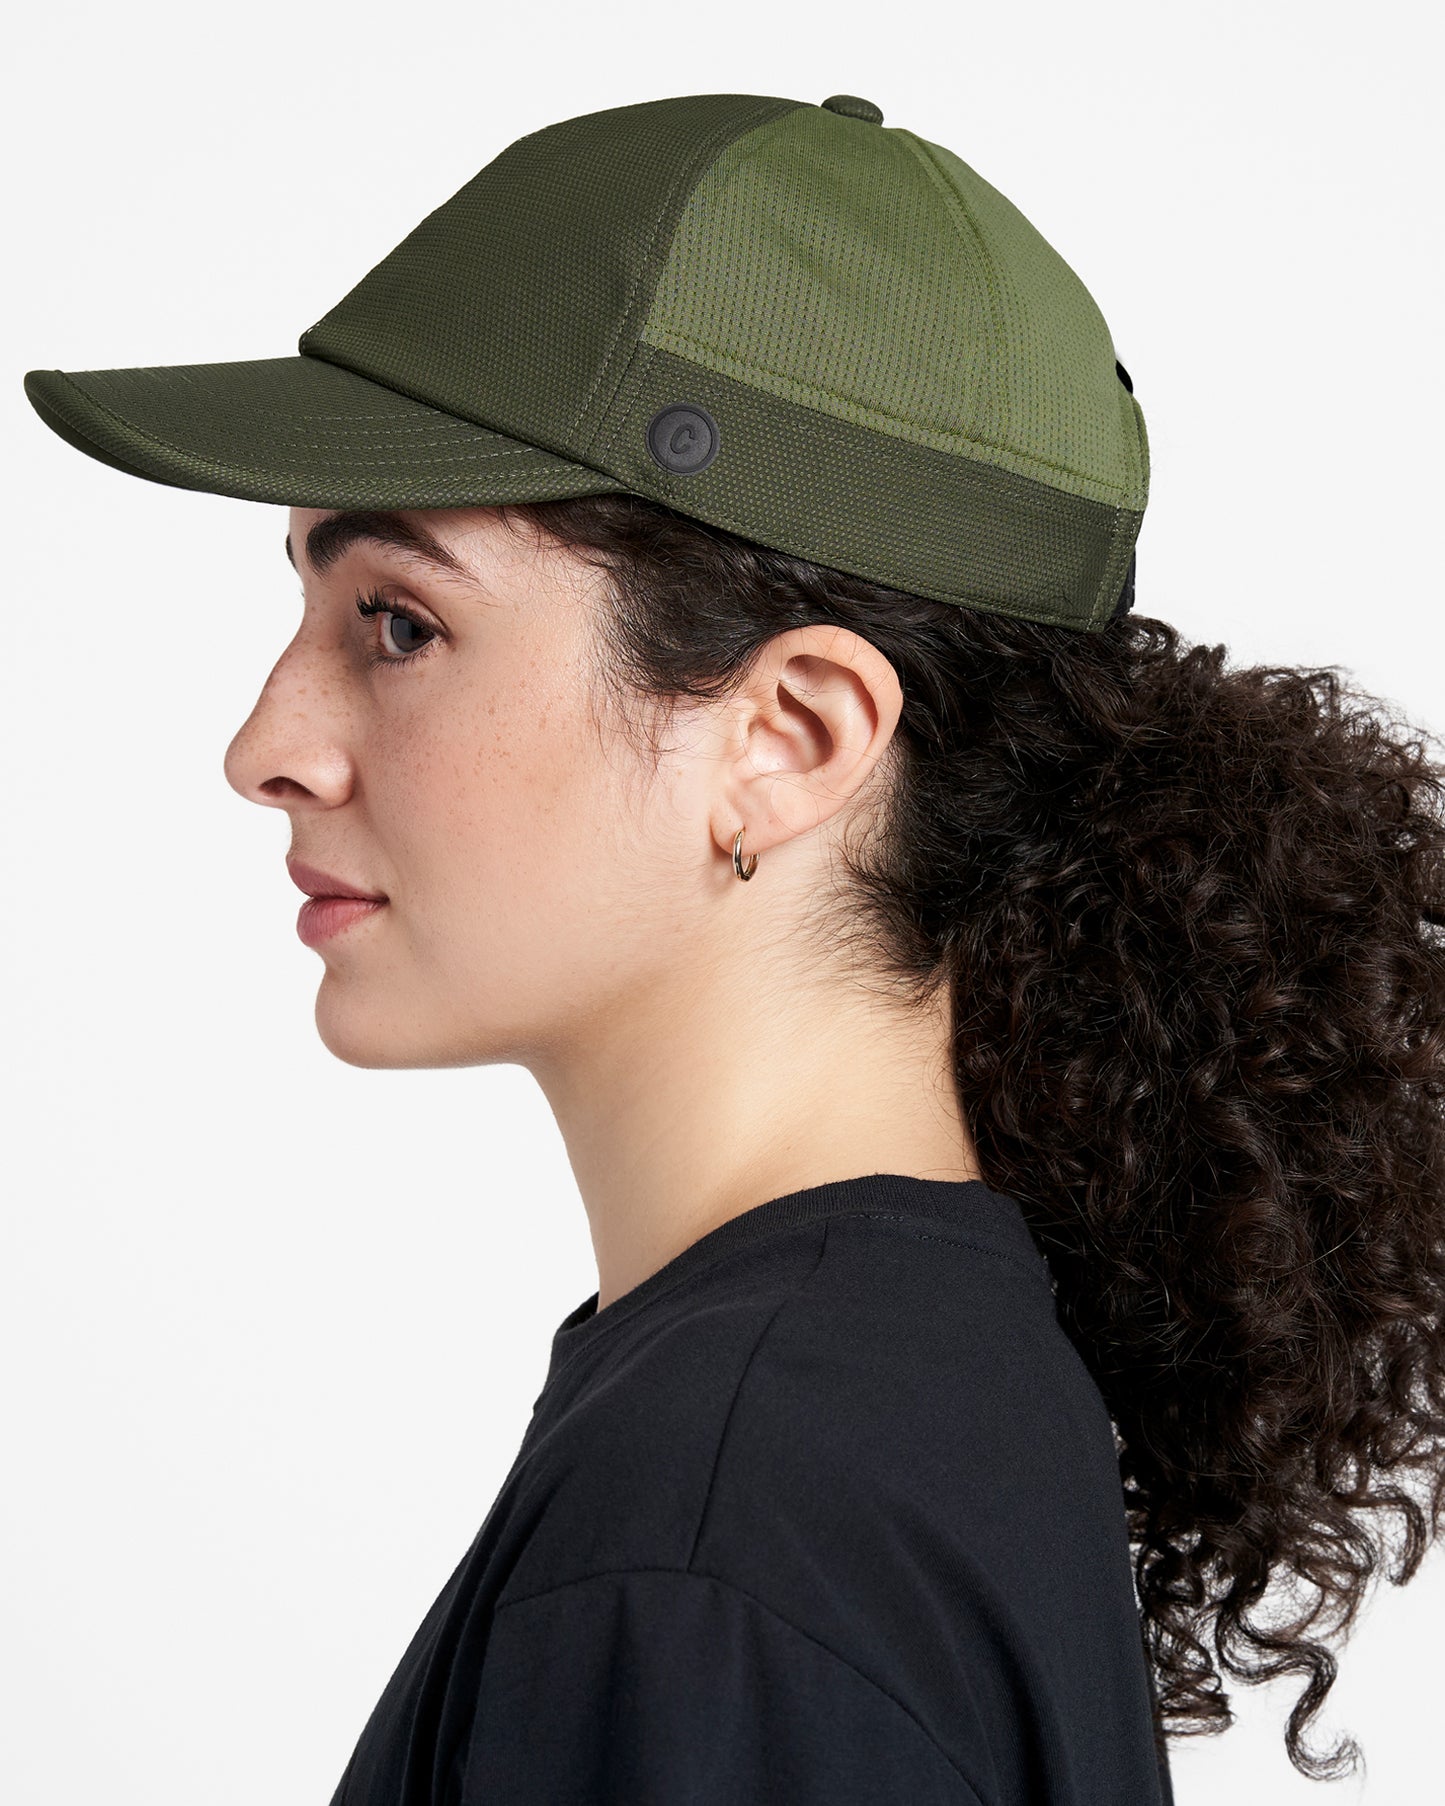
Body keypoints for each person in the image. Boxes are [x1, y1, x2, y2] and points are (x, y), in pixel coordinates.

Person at [22, 89, 1445, 1805]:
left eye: (397, 623)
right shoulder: (887, 1405)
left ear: (788, 735)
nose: (266, 745)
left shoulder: (720, 1539)